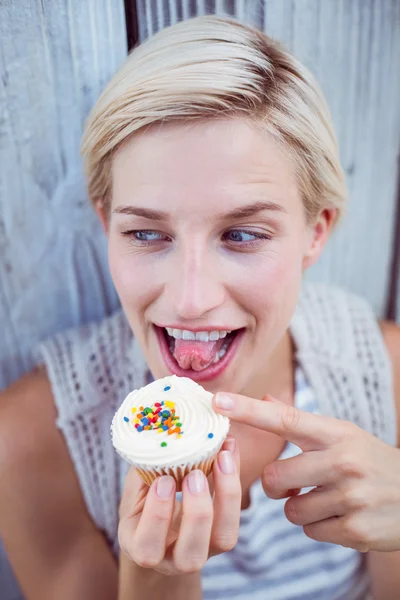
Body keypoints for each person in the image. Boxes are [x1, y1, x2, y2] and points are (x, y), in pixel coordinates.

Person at [0, 14, 399, 600]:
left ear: (317, 232)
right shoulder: (33, 441)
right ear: (107, 223)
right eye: (146, 234)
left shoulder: (387, 379)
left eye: (241, 235)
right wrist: (157, 579)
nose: (190, 300)